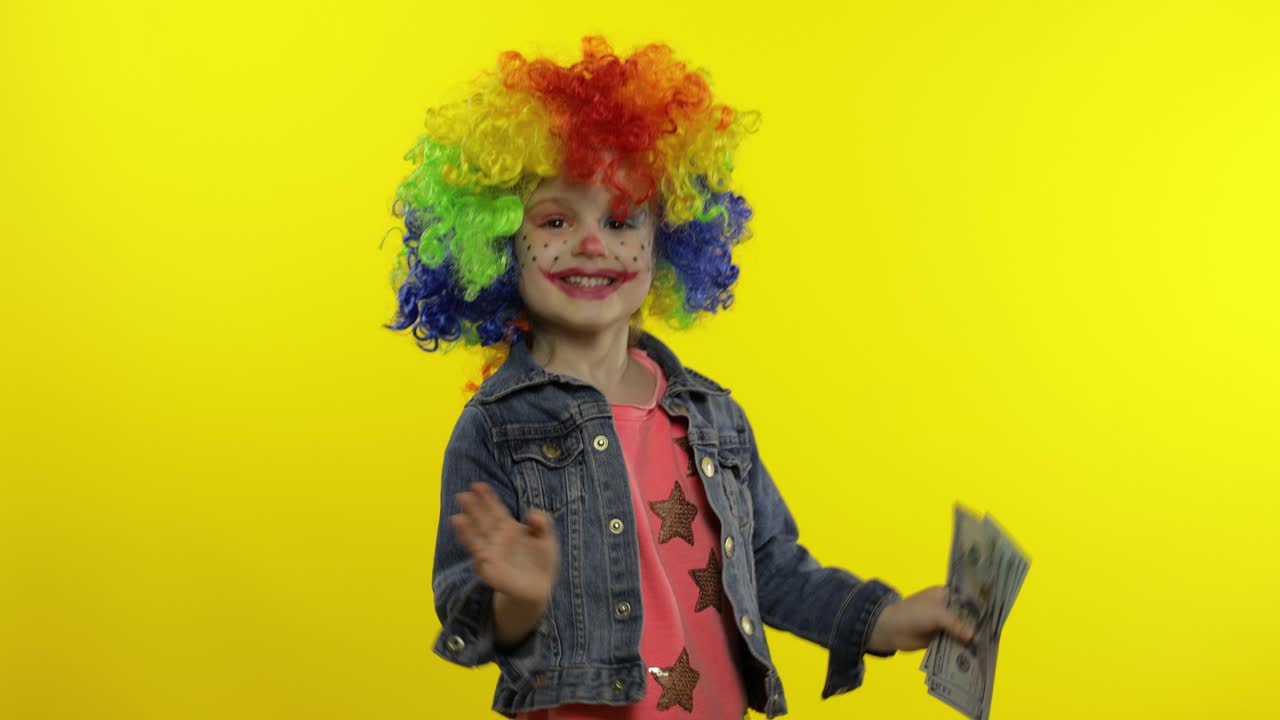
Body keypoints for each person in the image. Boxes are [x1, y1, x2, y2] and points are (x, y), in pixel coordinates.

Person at [385, 36, 975, 719]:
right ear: (493, 246)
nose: (591, 243)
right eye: (554, 220)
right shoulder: (496, 424)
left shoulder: (711, 415)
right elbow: (469, 607)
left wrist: (878, 619)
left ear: (666, 240)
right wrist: (519, 597)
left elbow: (770, 563)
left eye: (621, 219)